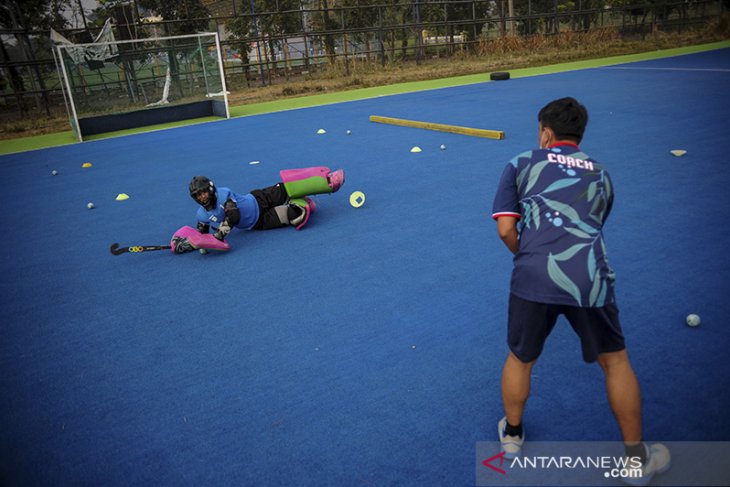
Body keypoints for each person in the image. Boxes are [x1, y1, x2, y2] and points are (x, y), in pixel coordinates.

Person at [490, 97, 669, 485]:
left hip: (534, 276)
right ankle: (636, 461)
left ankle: (513, 436)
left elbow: (506, 228)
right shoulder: (601, 173)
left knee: (521, 358)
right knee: (616, 362)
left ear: (546, 132)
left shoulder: (521, 163)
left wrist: (528, 254)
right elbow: (596, 224)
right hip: (589, 276)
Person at [173, 166, 344, 253]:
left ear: (210, 189)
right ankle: (303, 203)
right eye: (197, 196)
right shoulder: (201, 214)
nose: (201, 197)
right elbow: (201, 234)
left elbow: (233, 215)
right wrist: (190, 245)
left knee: (289, 187)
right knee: (295, 215)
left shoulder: (223, 194)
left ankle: (328, 181)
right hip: (258, 222)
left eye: (203, 193)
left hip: (259, 198)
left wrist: (218, 236)